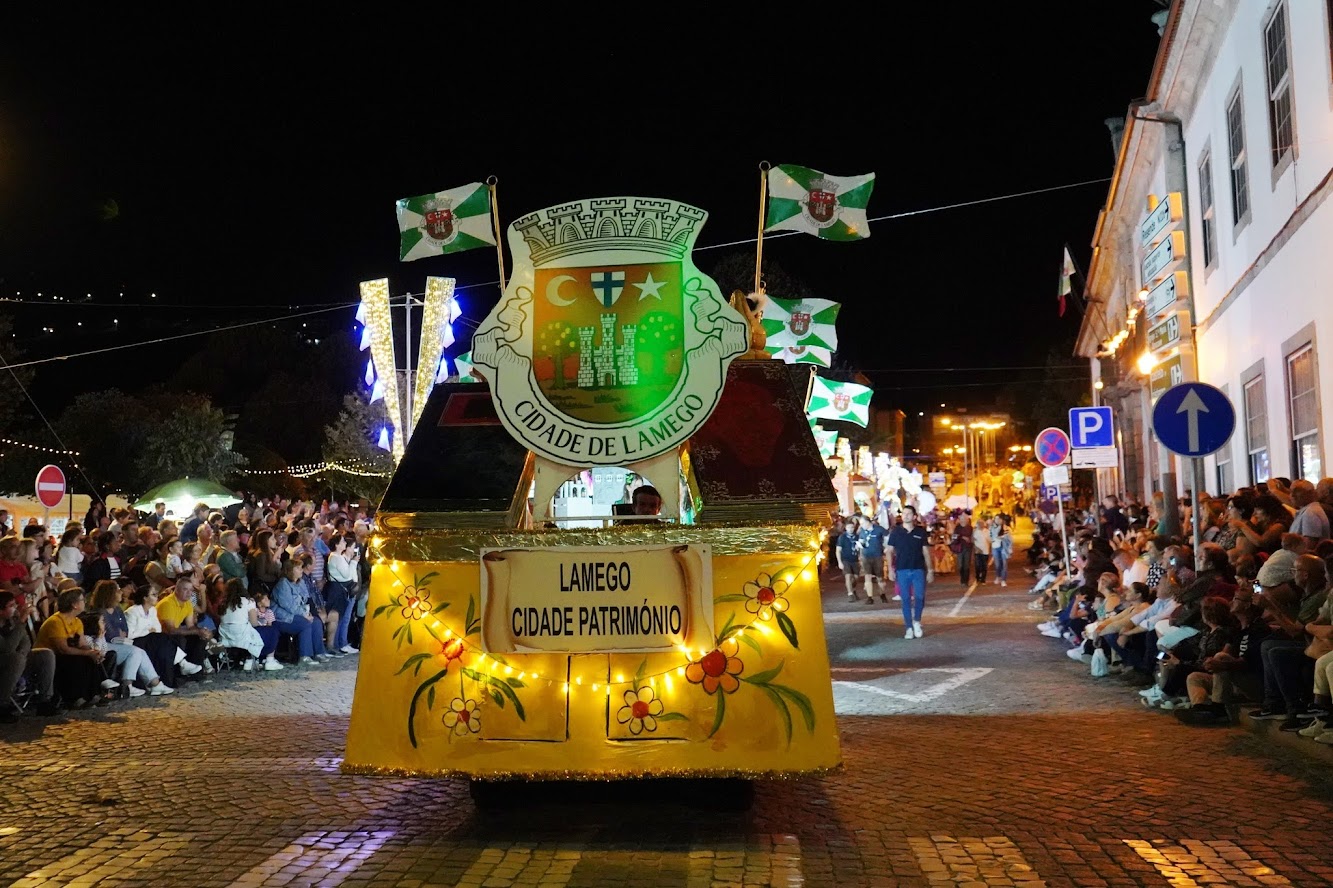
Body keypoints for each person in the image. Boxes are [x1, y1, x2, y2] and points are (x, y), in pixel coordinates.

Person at [88, 580, 171, 697]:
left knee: (140, 651)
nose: (120, 592)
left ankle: (154, 684)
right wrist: (118, 633)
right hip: (103, 644)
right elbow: (109, 635)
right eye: (117, 590)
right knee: (135, 651)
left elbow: (125, 630)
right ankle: (128, 685)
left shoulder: (117, 610)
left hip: (120, 642)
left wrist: (119, 633)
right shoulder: (101, 612)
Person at [35, 587, 108, 707]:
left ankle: (94, 695)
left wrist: (93, 652)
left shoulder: (77, 621)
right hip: (50, 657)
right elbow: (62, 648)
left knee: (91, 659)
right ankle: (75, 698)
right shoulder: (56, 622)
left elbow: (82, 644)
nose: (84, 602)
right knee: (76, 661)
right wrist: (87, 653)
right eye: (82, 600)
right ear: (74, 604)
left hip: (68, 653)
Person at [0, 590, 61, 719]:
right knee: (16, 658)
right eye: (11, 606)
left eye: (15, 604)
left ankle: (45, 700)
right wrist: (21, 623)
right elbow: (7, 648)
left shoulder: (12, 621)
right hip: (4, 661)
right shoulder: (15, 623)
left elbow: (26, 643)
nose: (15, 608)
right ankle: (3, 703)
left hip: (17, 660)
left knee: (45, 654)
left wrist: (19, 624)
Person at [272, 558, 330, 665]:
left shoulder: (301, 582)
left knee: (316, 622)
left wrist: (307, 613)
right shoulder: (283, 584)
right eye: (298, 568)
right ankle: (304, 656)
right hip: (282, 617)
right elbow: (289, 606)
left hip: (298, 613)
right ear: (290, 570)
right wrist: (304, 614)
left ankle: (319, 652)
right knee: (305, 623)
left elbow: (305, 599)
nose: (301, 570)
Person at [887, 505, 933, 639]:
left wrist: (930, 570)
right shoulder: (895, 532)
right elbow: (889, 550)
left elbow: (926, 552)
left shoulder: (921, 532)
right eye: (904, 513)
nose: (905, 515)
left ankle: (917, 621)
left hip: (918, 569)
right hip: (902, 569)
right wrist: (890, 569)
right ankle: (908, 627)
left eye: (908, 514)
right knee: (905, 599)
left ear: (914, 517)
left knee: (919, 597)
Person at [217, 578, 282, 671]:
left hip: (226, 636)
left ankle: (250, 659)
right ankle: (269, 660)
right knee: (273, 630)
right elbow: (254, 623)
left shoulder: (223, 603)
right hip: (243, 635)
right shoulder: (248, 601)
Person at [156, 577, 213, 674]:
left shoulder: (188, 603)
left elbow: (190, 626)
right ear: (177, 589)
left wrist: (203, 631)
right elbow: (170, 630)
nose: (189, 593)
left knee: (199, 637)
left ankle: (197, 669)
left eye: (191, 590)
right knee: (180, 638)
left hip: (173, 632)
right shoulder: (167, 603)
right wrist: (196, 631)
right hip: (160, 635)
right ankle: (180, 671)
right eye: (185, 589)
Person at [324, 532, 360, 655]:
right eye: (343, 541)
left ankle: (337, 644)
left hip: (340, 590)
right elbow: (346, 575)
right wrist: (354, 562)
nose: (345, 543)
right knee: (338, 618)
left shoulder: (337, 557)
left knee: (341, 618)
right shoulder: (335, 557)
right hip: (337, 590)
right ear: (337, 545)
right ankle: (334, 644)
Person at [858, 515, 888, 605]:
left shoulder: (879, 529)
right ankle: (869, 597)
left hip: (877, 556)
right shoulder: (862, 531)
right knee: (867, 576)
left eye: (863, 523)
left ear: (868, 522)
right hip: (866, 556)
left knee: (880, 577)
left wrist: (886, 548)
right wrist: (860, 548)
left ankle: (882, 594)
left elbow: (887, 537)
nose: (862, 525)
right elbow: (861, 541)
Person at [837, 516, 864, 602]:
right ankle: (850, 594)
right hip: (846, 559)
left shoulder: (857, 537)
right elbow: (838, 550)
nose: (851, 529)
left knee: (856, 577)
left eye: (852, 527)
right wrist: (839, 562)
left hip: (855, 559)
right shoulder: (842, 537)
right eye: (849, 527)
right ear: (845, 528)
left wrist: (860, 557)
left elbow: (860, 548)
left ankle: (853, 589)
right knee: (848, 576)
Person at [951, 514, 974, 587]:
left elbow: (973, 537)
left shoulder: (970, 528)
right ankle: (962, 579)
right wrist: (963, 537)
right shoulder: (957, 528)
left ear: (967, 520)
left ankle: (965, 581)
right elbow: (954, 536)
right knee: (960, 565)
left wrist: (971, 541)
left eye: (964, 519)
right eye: (961, 519)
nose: (963, 521)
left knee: (966, 565)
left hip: (968, 548)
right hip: (959, 548)